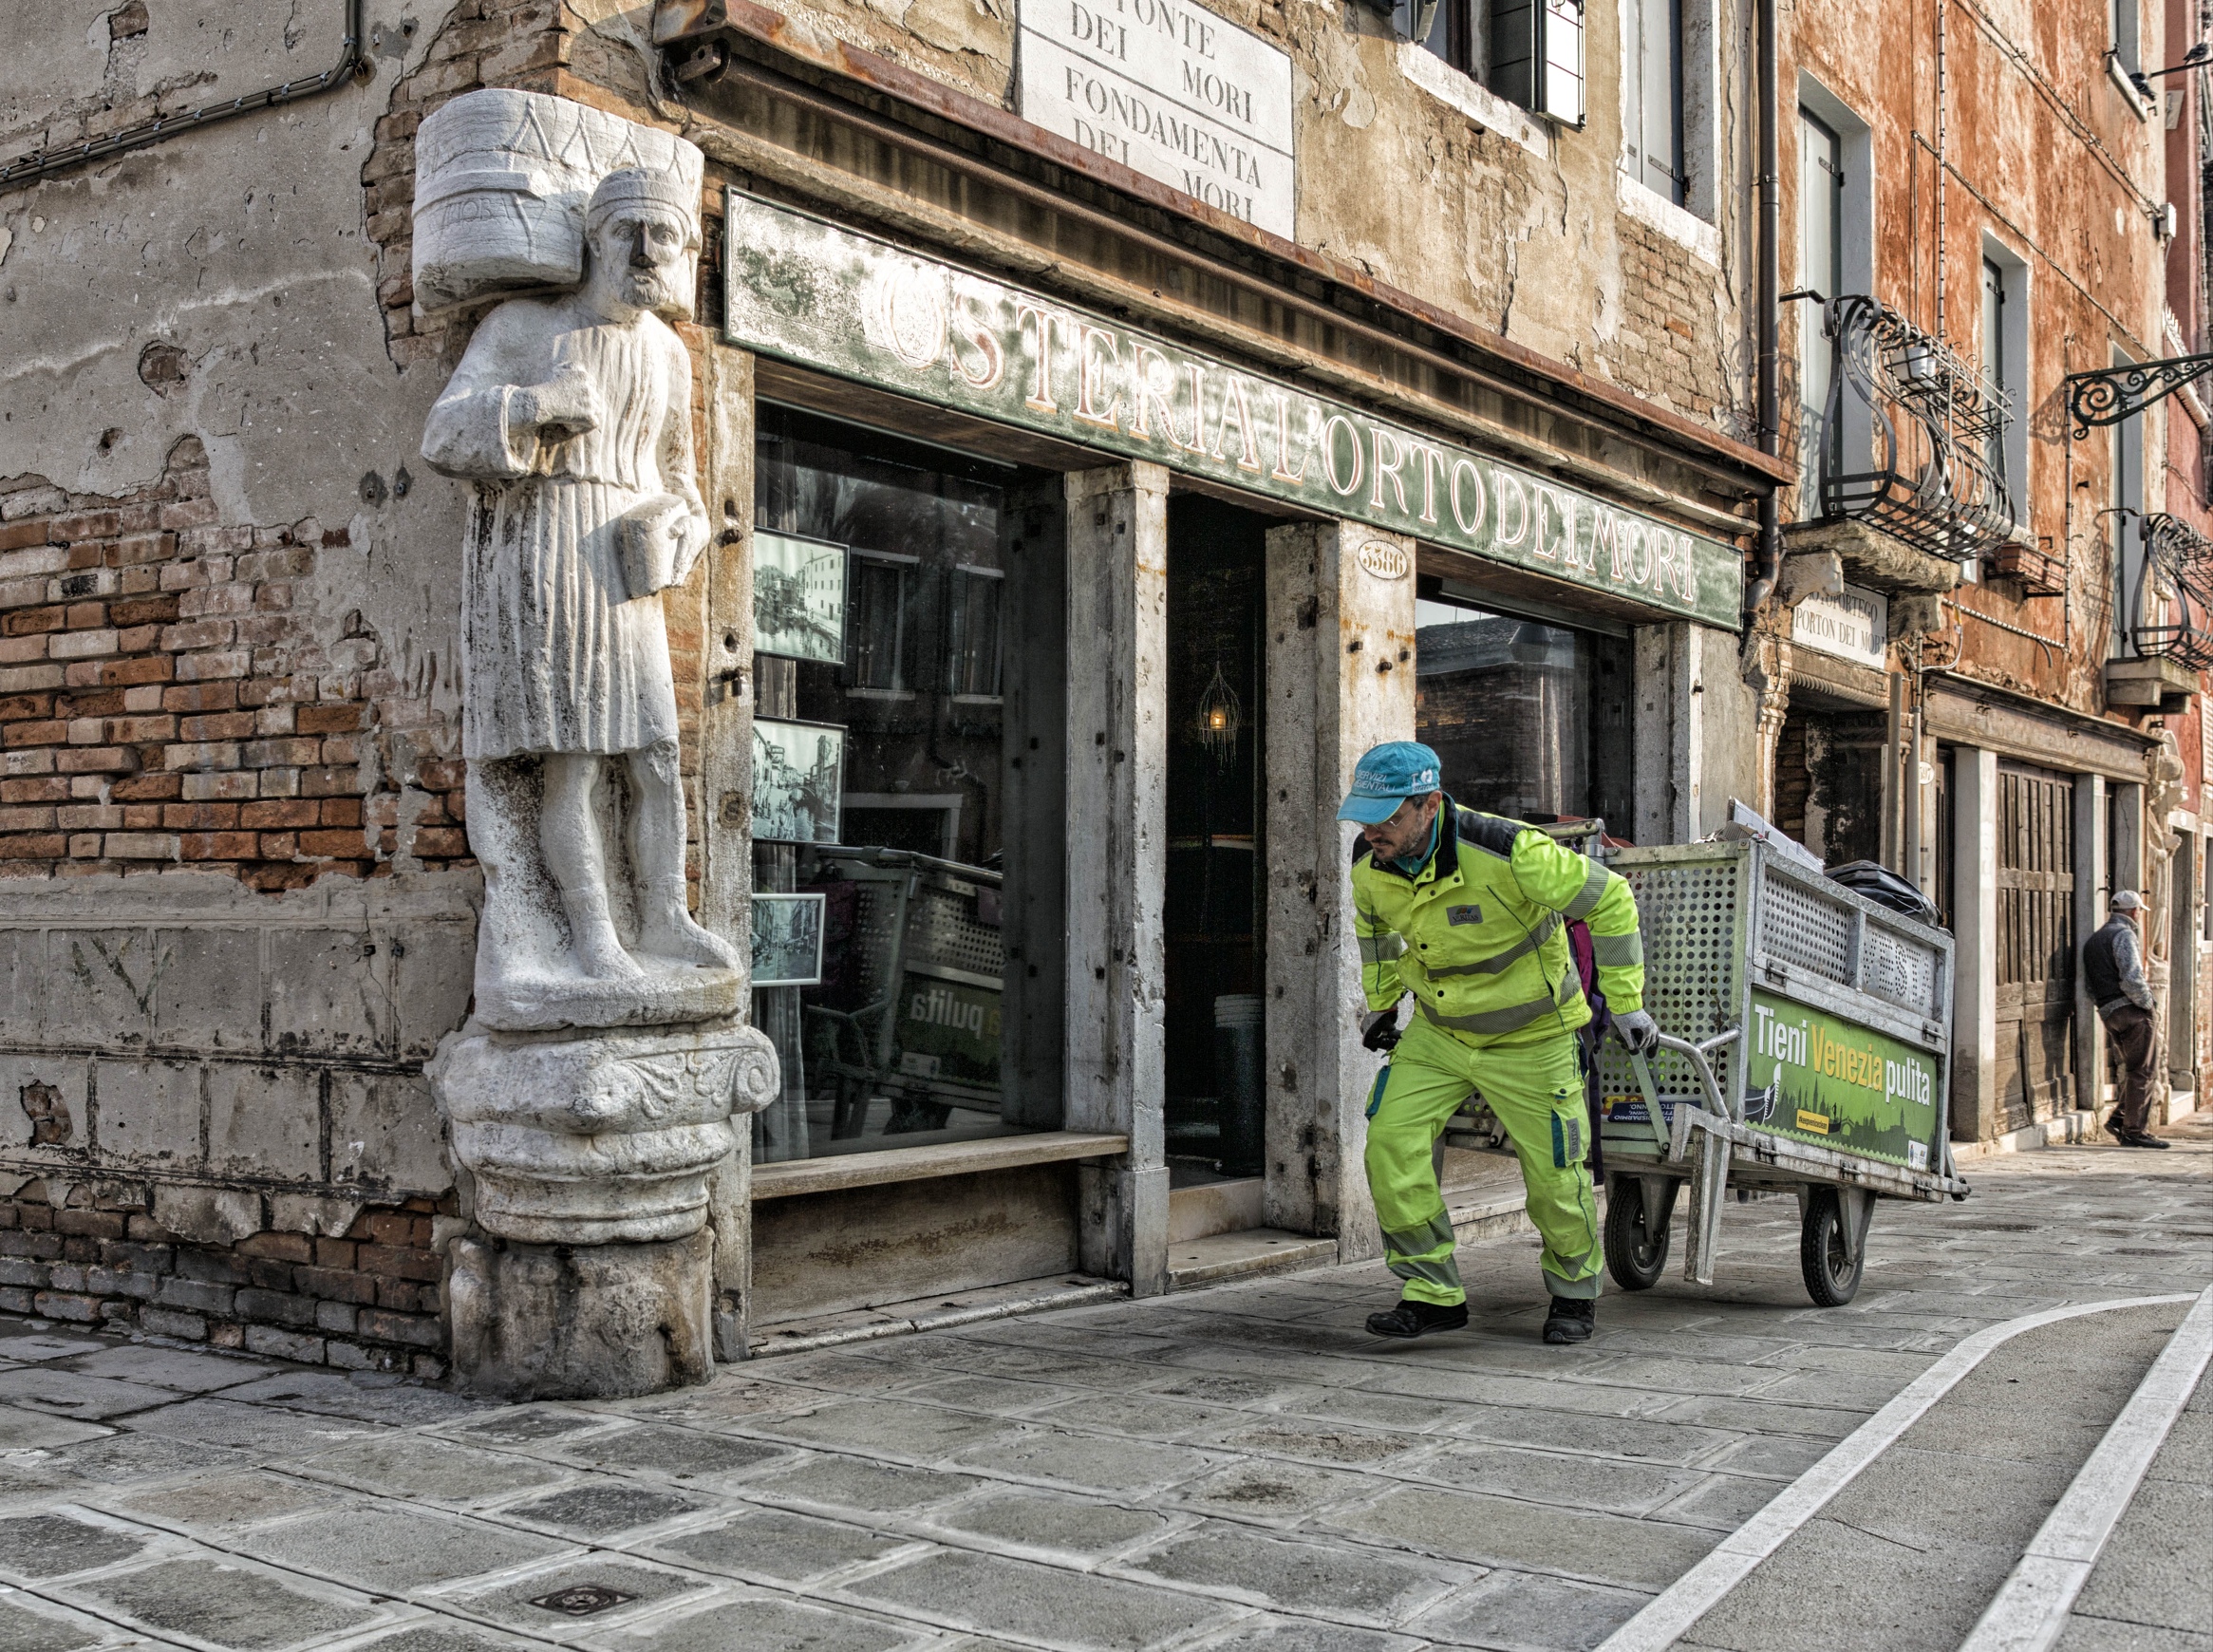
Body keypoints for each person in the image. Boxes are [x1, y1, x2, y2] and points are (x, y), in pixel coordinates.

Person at [422, 168, 740, 1010]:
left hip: (627, 568)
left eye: (663, 235)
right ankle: (593, 936)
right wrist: (534, 404)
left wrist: (679, 527)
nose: (645, 250)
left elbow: (681, 478)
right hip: (549, 547)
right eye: (627, 230)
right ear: (593, 237)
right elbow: (442, 432)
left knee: (657, 757)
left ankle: (663, 916)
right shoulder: (527, 324)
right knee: (576, 766)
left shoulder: (667, 352)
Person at [1341, 742, 1656, 1344]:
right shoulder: (1371, 864)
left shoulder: (1509, 851)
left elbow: (1610, 898)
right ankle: (1432, 1291)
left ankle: (1573, 1291)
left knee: (1555, 1175)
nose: (1371, 831)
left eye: (1387, 818)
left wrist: (1626, 1001)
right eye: (1364, 817)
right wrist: (1382, 1001)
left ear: (1431, 805)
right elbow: (1375, 931)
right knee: (1390, 1144)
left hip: (1533, 1035)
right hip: (1440, 1030)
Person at [2083, 890, 2169, 1149]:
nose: (2140, 915)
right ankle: (2135, 1131)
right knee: (2144, 1071)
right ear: (2134, 911)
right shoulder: (2124, 934)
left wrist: (2104, 1007)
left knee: (2135, 1070)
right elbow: (2132, 977)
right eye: (2140, 911)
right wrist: (2149, 1005)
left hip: (2109, 1012)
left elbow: (2088, 985)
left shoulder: (2095, 939)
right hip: (2132, 1011)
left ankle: (2120, 1119)